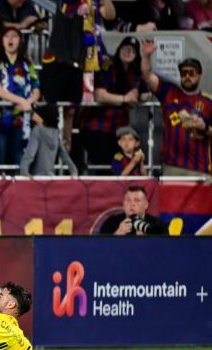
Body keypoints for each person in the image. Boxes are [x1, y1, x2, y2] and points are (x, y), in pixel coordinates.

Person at [40, 0, 119, 153]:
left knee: (70, 112)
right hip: (57, 62)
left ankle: (64, 153)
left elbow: (110, 15)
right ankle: (45, 154)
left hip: (79, 63)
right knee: (48, 111)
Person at [73, 36, 145, 174]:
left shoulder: (135, 72)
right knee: (103, 169)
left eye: (132, 50)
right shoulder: (108, 66)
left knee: (119, 168)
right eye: (125, 48)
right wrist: (124, 98)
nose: (128, 52)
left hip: (120, 130)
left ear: (136, 55)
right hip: (98, 127)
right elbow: (99, 95)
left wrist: (138, 97)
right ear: (118, 50)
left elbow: (145, 93)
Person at [140, 42, 212, 177]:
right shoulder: (169, 92)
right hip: (171, 167)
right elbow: (147, 75)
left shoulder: (209, 102)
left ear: (199, 75)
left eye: (192, 72)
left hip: (199, 168)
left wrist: (205, 127)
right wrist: (146, 55)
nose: (187, 76)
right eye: (184, 73)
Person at [0, 25, 40, 168]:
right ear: (2, 41)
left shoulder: (27, 63)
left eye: (15, 36)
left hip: (21, 120)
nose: (11, 39)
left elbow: (36, 89)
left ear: (20, 41)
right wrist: (21, 101)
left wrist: (28, 102)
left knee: (18, 160)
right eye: (6, 36)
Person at [20, 103, 77, 176]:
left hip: (36, 176)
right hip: (51, 176)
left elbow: (30, 154)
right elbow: (63, 153)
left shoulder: (38, 130)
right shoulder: (55, 132)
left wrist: (23, 172)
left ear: (43, 118)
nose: (35, 114)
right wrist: (73, 170)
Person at [99, 185, 168, 235]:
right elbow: (100, 248)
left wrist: (148, 241)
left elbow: (165, 249)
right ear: (123, 203)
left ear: (146, 204)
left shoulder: (157, 225)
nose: (132, 204)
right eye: (128, 200)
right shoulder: (111, 222)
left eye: (137, 200)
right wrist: (117, 234)